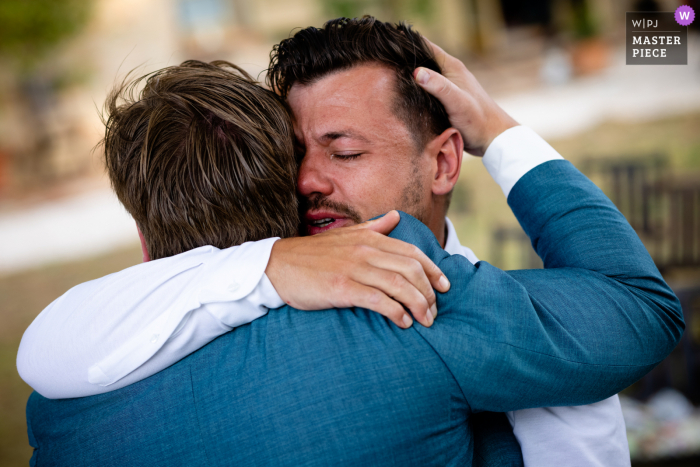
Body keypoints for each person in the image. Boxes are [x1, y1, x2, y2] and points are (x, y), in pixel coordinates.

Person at [18, 17, 683, 466]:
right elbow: (639, 307)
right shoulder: (411, 313)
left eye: (344, 150)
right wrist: (502, 131)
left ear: (446, 161)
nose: (307, 180)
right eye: (294, 153)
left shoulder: (60, 406)